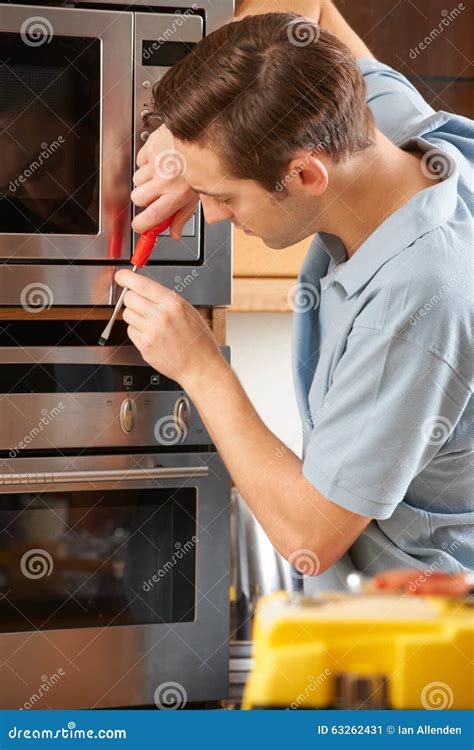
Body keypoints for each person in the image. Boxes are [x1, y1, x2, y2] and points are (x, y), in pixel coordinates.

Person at [115, 1, 473, 587]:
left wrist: (201, 367)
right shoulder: (378, 125)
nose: (211, 214)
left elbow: (310, 538)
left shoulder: (417, 298)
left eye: (225, 197)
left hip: (421, 635)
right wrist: (200, 137)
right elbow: (309, 14)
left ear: (306, 175)